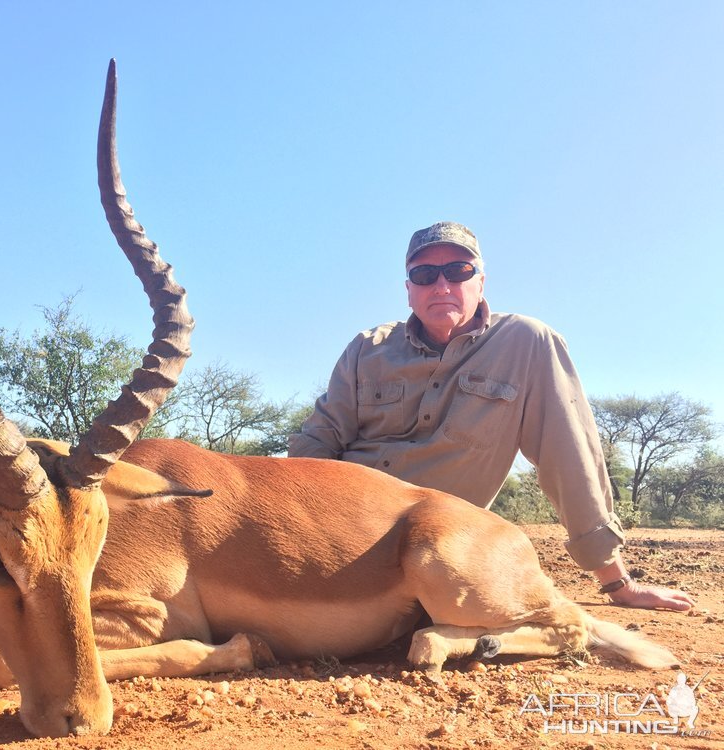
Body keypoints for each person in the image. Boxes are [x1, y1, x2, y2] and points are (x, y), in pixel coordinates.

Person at [288, 221, 693, 612]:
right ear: (409, 290)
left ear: (481, 282)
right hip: (343, 529)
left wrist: (618, 582)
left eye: (458, 271)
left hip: (437, 541)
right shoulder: (366, 348)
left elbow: (568, 454)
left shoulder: (526, 343)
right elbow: (316, 445)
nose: (442, 285)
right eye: (425, 274)